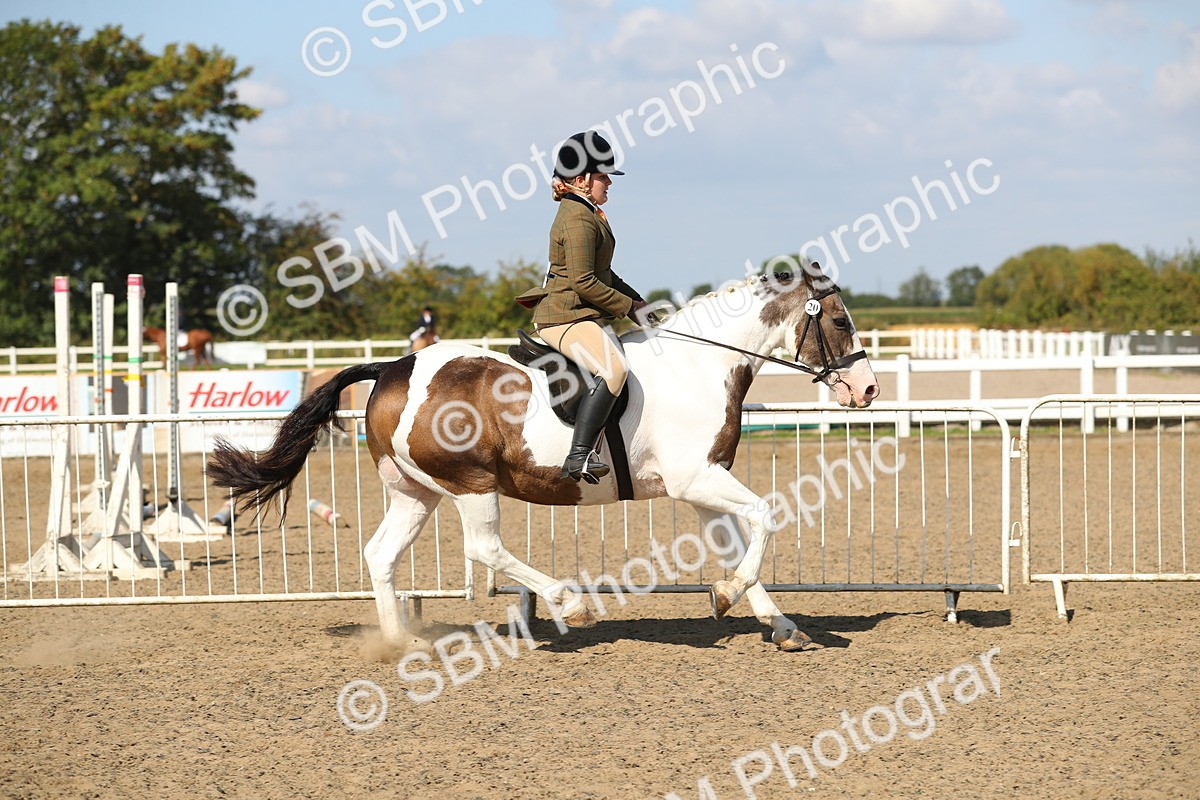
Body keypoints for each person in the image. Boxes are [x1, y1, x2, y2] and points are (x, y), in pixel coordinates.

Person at [515, 131, 647, 484]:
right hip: (564, 316)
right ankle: (578, 455)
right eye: (603, 176)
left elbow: (604, 273)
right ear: (582, 180)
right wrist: (627, 308)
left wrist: (638, 302)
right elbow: (583, 282)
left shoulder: (589, 213)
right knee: (614, 370)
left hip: (578, 313)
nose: (609, 182)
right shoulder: (576, 219)